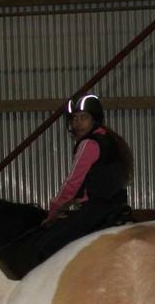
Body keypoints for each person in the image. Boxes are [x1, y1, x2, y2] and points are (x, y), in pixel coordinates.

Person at [30, 93, 133, 266]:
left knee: (47, 246)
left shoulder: (89, 144)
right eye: (74, 119)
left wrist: (53, 212)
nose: (77, 123)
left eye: (83, 118)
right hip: (114, 206)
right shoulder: (108, 140)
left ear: (94, 120)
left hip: (96, 209)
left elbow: (72, 184)